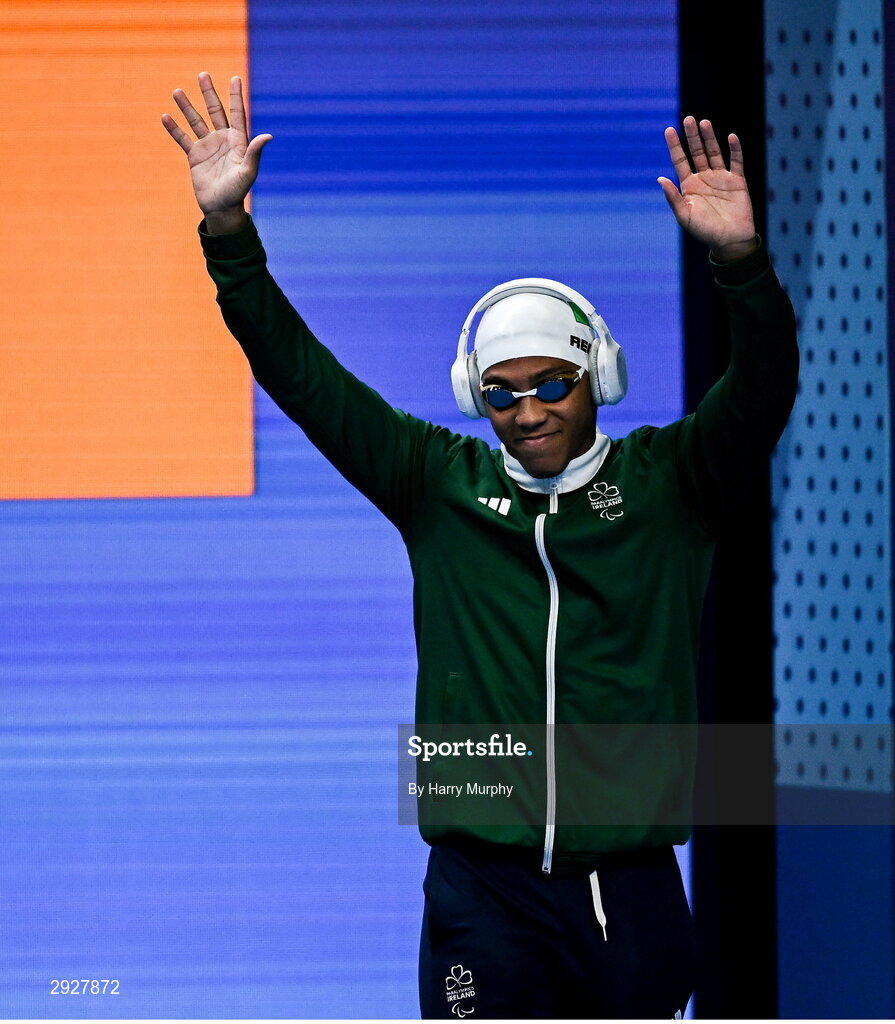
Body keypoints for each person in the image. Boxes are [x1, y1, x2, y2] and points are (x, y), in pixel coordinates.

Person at [163, 73, 798, 1019]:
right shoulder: (437, 481)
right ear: (473, 395)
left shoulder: (674, 486)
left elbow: (764, 386)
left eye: (550, 383)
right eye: (500, 391)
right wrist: (229, 237)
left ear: (599, 377)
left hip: (624, 888)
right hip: (478, 895)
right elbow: (298, 372)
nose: (528, 409)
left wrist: (741, 262)